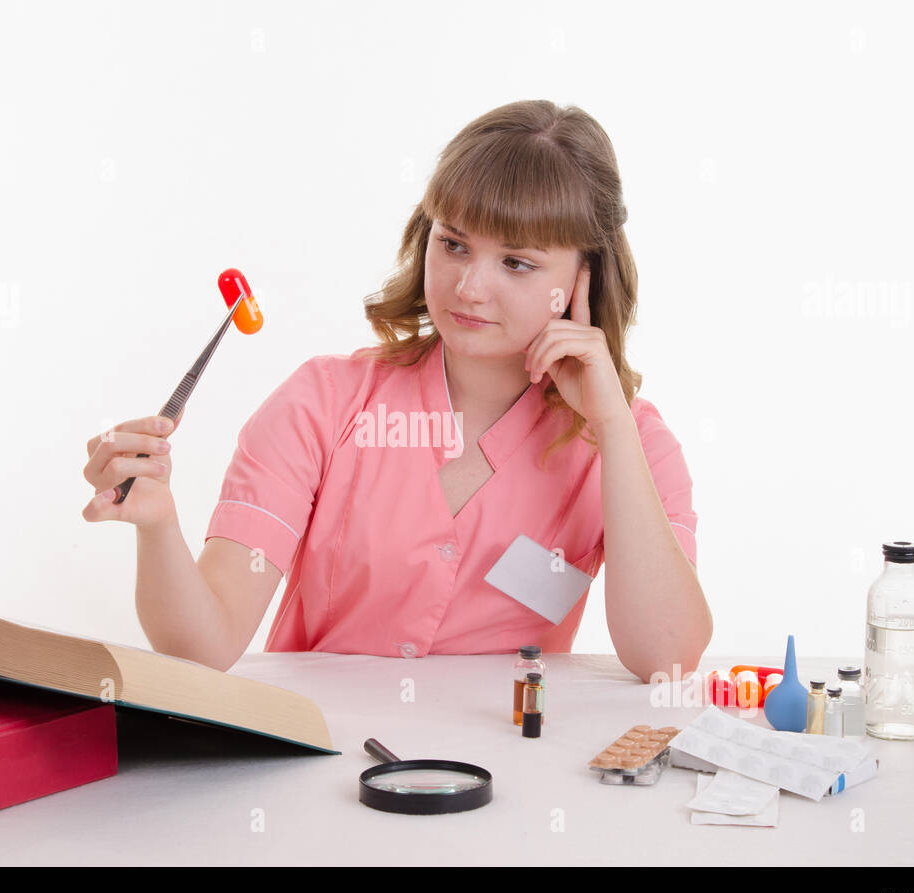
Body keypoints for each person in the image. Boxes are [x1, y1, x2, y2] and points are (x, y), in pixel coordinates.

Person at [81, 100, 712, 678]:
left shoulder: (637, 442)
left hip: (513, 774)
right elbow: (203, 646)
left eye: (517, 262)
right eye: (454, 244)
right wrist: (158, 526)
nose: (468, 287)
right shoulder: (322, 403)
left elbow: (666, 657)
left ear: (584, 276)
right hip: (318, 770)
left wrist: (612, 429)